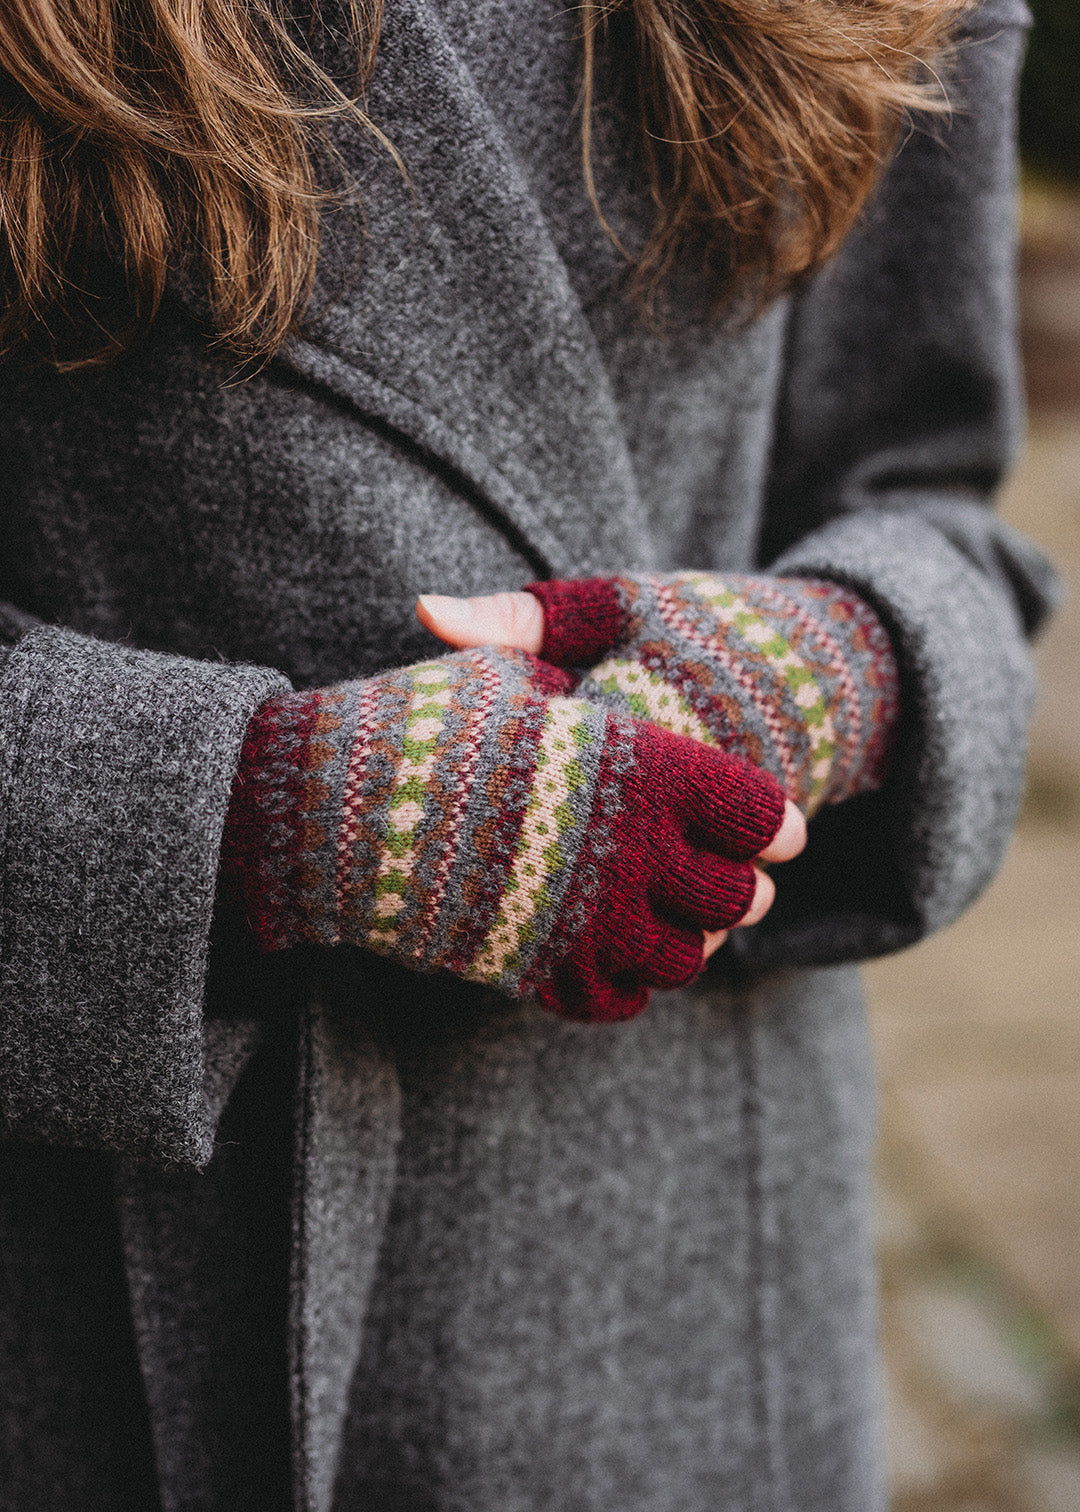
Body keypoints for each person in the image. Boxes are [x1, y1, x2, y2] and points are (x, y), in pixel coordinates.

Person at [0, 0, 1057, 1508]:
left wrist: (837, 664)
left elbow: (937, 506)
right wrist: (258, 814)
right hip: (96, 1285)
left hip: (685, 1268)